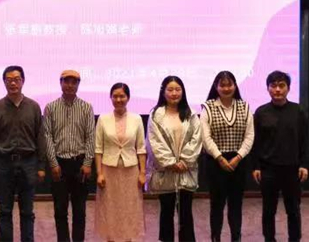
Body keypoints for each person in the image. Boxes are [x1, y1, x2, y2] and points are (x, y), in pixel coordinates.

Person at [0, 65, 46, 242]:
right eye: (9, 80)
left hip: (29, 163)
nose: (13, 83)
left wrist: (41, 166)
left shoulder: (33, 107)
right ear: (4, 82)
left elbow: (40, 137)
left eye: (17, 79)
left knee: (27, 211)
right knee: (5, 210)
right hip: (4, 164)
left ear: (23, 81)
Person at [251, 71, 309, 242]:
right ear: (268, 88)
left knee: (293, 210)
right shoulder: (261, 112)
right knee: (268, 211)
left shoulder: (298, 111)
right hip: (268, 169)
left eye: (281, 85)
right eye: (273, 86)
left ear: (288, 88)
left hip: (292, 169)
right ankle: (269, 239)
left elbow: (305, 139)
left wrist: (304, 164)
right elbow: (256, 142)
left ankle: (294, 239)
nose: (277, 89)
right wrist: (256, 166)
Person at [146, 75, 202, 242]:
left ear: (183, 92)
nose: (174, 93)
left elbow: (196, 139)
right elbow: (154, 142)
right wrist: (171, 163)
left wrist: (185, 161)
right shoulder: (156, 115)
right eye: (170, 89)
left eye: (178, 89)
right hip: (166, 173)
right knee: (166, 213)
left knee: (186, 213)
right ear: (163, 92)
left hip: (186, 171)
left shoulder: (191, 114)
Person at [201, 71, 254, 242]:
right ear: (216, 87)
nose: (226, 88)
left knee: (236, 205)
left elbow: (249, 136)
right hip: (215, 162)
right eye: (222, 85)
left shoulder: (245, 106)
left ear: (235, 86)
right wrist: (220, 158)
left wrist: (238, 157)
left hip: (239, 162)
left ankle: (235, 238)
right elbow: (205, 137)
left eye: (229, 84)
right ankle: (215, 238)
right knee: (216, 205)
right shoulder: (208, 107)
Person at [43, 69, 95, 242]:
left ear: (78, 85)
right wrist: (53, 163)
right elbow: (47, 136)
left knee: (80, 210)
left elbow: (91, 137)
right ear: (61, 83)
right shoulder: (50, 107)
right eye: (67, 81)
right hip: (59, 164)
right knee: (60, 210)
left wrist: (87, 163)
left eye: (74, 82)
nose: (70, 85)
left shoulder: (86, 107)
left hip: (80, 164)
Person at [95, 82, 146, 242]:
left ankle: (127, 239)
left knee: (129, 208)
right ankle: (111, 239)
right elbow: (98, 149)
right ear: (110, 98)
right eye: (115, 96)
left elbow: (141, 148)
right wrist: (99, 173)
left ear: (128, 98)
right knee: (110, 209)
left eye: (122, 96)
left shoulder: (136, 119)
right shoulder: (103, 119)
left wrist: (142, 173)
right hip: (108, 171)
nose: (118, 99)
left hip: (131, 171)